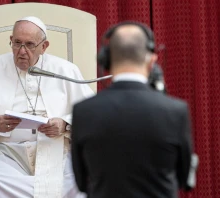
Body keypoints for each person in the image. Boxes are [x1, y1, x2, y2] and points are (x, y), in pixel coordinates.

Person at [0, 16, 93, 198]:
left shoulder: (65, 70)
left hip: (56, 151)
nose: (22, 51)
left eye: (30, 44)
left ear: (44, 46)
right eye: (17, 43)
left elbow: (92, 115)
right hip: (4, 154)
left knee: (77, 181)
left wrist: (65, 124)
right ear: (11, 41)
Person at [71, 21, 194, 198]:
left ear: (105, 60)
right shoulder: (176, 111)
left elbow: (81, 183)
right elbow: (183, 178)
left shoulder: (83, 111)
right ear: (152, 61)